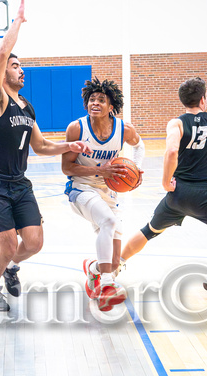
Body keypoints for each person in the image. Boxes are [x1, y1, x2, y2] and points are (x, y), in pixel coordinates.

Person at [0, 0, 92, 312]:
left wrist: (71, 147)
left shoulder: (26, 106)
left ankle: (10, 267)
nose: (20, 69)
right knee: (9, 244)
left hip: (19, 183)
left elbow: (40, 147)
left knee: (35, 242)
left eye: (20, 65)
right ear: (0, 73)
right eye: (15, 66)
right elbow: (1, 54)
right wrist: (17, 21)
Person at [119, 77, 207, 298]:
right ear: (203, 100)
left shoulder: (176, 123)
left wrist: (165, 181)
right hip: (204, 196)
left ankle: (113, 267)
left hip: (177, 194)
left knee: (149, 231)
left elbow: (171, 152)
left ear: (183, 101)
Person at [62, 78, 145, 311]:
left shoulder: (123, 129)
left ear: (111, 107)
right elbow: (67, 168)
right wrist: (101, 170)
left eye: (101, 100)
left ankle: (94, 269)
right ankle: (107, 285)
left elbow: (140, 146)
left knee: (114, 261)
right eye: (91, 99)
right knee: (108, 221)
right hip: (81, 189)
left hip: (107, 192)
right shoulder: (76, 128)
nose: (95, 103)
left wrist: (136, 170)